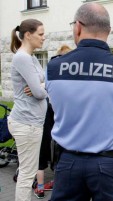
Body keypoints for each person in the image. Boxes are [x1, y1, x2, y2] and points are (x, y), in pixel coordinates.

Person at [46, 3, 113, 201]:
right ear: (108, 31)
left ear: (78, 27)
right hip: (110, 166)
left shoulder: (54, 68)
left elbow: (56, 108)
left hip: (68, 163)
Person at [8, 19, 48, 201]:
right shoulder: (23, 58)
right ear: (28, 35)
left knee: (27, 170)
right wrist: (40, 87)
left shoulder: (31, 57)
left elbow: (45, 82)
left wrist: (40, 85)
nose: (43, 37)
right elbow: (40, 93)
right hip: (27, 123)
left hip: (31, 122)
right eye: (40, 34)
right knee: (26, 174)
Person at [33, 45, 73, 198]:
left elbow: (43, 86)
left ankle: (41, 186)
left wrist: (38, 87)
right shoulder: (70, 75)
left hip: (50, 112)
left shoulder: (54, 71)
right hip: (59, 115)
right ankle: (56, 184)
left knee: (44, 148)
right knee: (58, 149)